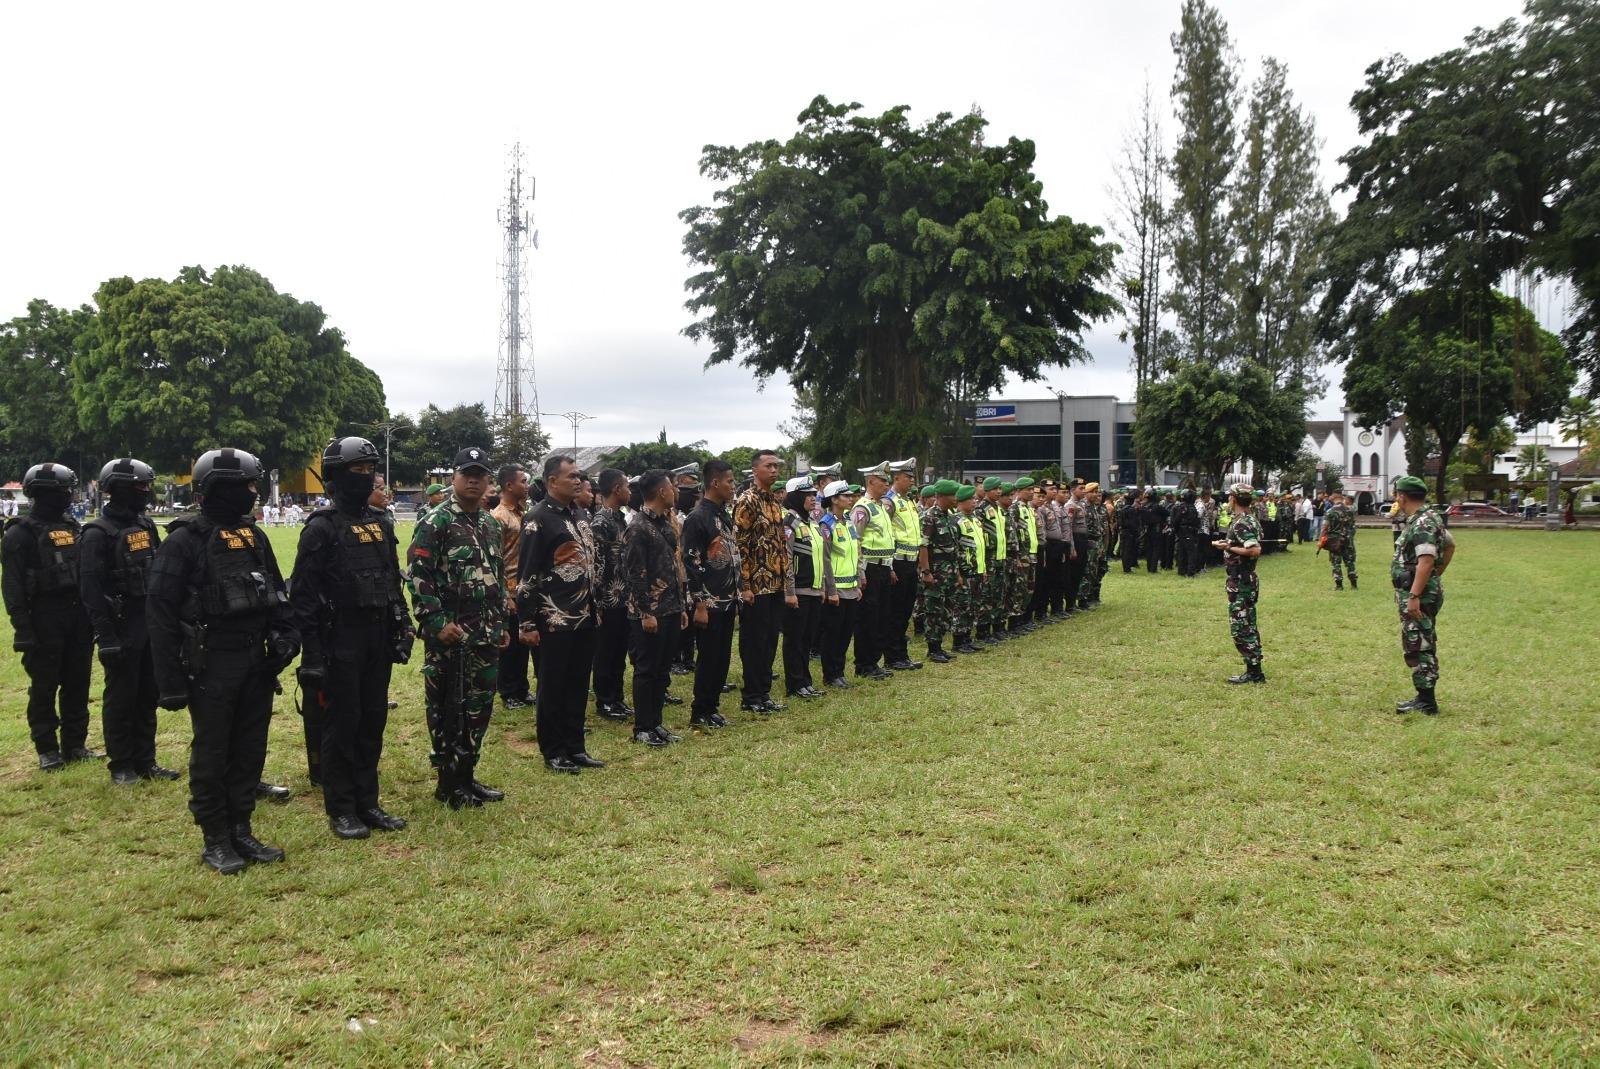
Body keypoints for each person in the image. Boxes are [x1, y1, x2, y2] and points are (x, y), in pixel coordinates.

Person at [147, 449, 299, 874]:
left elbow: (275, 590)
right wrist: (169, 682)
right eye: (245, 486)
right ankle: (215, 837)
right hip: (210, 663)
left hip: (256, 661)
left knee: (250, 748)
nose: (252, 494)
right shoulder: (184, 540)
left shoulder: (254, 537)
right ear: (218, 489)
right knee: (214, 751)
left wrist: (287, 636)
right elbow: (159, 611)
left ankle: (242, 828)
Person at [289, 437, 413, 840]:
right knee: (342, 724)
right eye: (358, 471)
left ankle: (368, 801)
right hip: (338, 639)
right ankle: (341, 808)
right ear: (337, 476)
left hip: (376, 636)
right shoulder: (321, 529)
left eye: (370, 471)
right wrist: (312, 655)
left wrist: (402, 625)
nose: (366, 478)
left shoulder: (380, 524)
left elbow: (393, 581)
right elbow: (304, 598)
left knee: (372, 721)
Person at [406, 447, 509, 809]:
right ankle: (447, 780)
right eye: (467, 473)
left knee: (479, 707)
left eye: (480, 474)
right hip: (451, 635)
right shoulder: (435, 522)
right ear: (454, 477)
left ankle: (468, 774)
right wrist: (436, 622)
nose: (474, 480)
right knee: (447, 707)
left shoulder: (489, 525)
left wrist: (503, 621)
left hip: (486, 633)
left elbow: (498, 578)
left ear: (488, 482)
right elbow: (419, 577)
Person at [81, 458, 176, 785]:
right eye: (140, 487)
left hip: (148, 622)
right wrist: (105, 636)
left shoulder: (146, 526)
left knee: (148, 693)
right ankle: (121, 764)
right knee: (121, 697)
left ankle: (145, 760)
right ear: (118, 490)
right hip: (120, 627)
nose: (146, 492)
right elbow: (91, 590)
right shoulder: (97, 534)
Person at [3, 462, 98, 772]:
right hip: (43, 618)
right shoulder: (20, 533)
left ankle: (74, 744)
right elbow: (13, 586)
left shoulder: (74, 527)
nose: (69, 495)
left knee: (77, 682)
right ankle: (47, 748)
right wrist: (23, 628)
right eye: (65, 490)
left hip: (77, 616)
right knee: (44, 686)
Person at [518, 454, 605, 772]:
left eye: (579, 476)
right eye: (572, 476)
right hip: (554, 618)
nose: (579, 480)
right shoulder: (538, 518)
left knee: (579, 683)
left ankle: (575, 746)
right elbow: (526, 574)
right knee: (553, 686)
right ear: (552, 481)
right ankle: (554, 751)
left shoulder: (580, 513)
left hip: (585, 615)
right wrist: (527, 622)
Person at [624, 470, 687, 745]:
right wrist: (645, 612)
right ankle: (642, 728)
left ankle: (656, 723)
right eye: (672, 488)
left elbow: (672, 568)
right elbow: (635, 573)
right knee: (647, 669)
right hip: (649, 612)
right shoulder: (638, 526)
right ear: (662, 492)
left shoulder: (663, 523)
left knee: (662, 671)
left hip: (671, 607)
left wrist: (681, 606)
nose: (676, 492)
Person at [679, 459, 742, 728]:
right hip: (709, 601)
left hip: (727, 598)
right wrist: (700, 605)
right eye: (729, 481)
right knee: (708, 658)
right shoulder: (698, 518)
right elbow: (691, 563)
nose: (733, 486)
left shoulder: (722, 514)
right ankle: (700, 711)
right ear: (714, 483)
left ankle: (712, 706)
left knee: (722, 656)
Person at [733, 450, 788, 713]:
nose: (774, 470)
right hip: (755, 585)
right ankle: (752, 696)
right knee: (754, 642)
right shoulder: (748, 501)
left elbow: (779, 544)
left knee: (769, 640)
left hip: (775, 583)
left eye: (776, 466)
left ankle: (763, 692)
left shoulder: (774, 502)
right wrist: (744, 586)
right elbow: (739, 546)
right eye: (769, 466)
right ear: (755, 470)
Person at [1390, 476, 1450, 715]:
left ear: (1402, 496)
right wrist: (1436, 575)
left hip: (1418, 594)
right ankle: (1424, 697)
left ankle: (1426, 701)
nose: (1396, 499)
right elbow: (1450, 545)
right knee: (1421, 641)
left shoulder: (1422, 522)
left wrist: (1415, 593)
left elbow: (1426, 561)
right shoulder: (1428, 518)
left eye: (1397, 495)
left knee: (1420, 644)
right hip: (1421, 590)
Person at [588, 469, 633, 723]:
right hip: (608, 599)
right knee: (606, 653)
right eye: (626, 486)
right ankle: (605, 701)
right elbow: (597, 566)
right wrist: (598, 602)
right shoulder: (600, 522)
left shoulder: (619, 519)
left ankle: (617, 697)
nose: (629, 491)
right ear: (616, 489)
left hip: (623, 597)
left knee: (618, 652)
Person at [1211, 484, 1265, 684]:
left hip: (1241, 580)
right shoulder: (1251, 519)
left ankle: (1254, 672)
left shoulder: (1242, 523)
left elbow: (1254, 550)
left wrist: (1230, 548)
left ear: (1233, 498)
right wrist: (1229, 546)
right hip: (1245, 578)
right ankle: (1254, 668)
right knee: (1248, 624)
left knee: (1241, 627)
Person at [848, 463, 897, 678]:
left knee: (881, 616)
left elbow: (887, 539)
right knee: (868, 618)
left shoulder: (881, 507)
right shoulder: (862, 508)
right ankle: (864, 664)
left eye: (887, 481)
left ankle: (874, 661)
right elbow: (855, 541)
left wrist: (891, 567)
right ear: (870, 482)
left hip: (883, 567)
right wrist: (860, 572)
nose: (886, 485)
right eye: (883, 481)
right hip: (870, 569)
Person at [492, 464, 535, 710]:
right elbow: (496, 558)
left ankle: (521, 688)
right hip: (509, 589)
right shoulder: (500, 517)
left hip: (523, 588)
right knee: (509, 646)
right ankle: (508, 691)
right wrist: (504, 594)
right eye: (523, 482)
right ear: (509, 486)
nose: (527, 486)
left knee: (522, 643)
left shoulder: (521, 513)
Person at [781, 477, 826, 699]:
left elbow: (820, 557)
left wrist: (824, 587)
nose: (813, 498)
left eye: (814, 495)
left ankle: (805, 680)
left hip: (814, 590)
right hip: (798, 591)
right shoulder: (790, 522)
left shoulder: (811, 522)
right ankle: (795, 683)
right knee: (795, 640)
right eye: (808, 495)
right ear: (797, 497)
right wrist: (790, 592)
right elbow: (786, 559)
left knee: (807, 639)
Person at [817, 481, 861, 687]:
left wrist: (858, 581)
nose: (850, 499)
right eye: (846, 496)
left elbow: (855, 552)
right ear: (834, 499)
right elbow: (825, 559)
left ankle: (839, 671)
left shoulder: (848, 522)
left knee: (845, 633)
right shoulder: (826, 525)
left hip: (851, 587)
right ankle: (830, 674)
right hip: (836, 590)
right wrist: (830, 589)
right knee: (833, 633)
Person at [883, 458, 924, 671]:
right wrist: (889, 567)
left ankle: (901, 653)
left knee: (906, 609)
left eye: (912, 477)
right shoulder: (889, 502)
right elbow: (886, 534)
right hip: (897, 562)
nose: (911, 481)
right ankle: (892, 656)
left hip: (911, 562)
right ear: (896, 478)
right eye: (908, 477)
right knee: (896, 611)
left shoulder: (909, 502)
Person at [918, 480, 963, 663]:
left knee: (947, 609)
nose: (955, 499)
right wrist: (926, 571)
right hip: (936, 570)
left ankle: (940, 646)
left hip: (950, 570)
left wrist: (958, 573)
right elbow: (923, 546)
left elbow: (955, 547)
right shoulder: (929, 517)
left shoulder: (950, 517)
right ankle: (933, 648)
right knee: (934, 609)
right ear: (942, 496)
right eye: (953, 495)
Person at [951, 484, 986, 653]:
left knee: (973, 606)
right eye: (971, 499)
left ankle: (967, 638)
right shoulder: (956, 521)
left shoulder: (976, 520)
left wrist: (984, 568)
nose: (974, 502)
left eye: (975, 499)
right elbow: (954, 549)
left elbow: (980, 547)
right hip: (964, 572)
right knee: (962, 606)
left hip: (977, 570)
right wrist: (957, 572)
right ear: (962, 501)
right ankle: (958, 641)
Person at [1173, 488, 1202, 577]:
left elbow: (1175, 521)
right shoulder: (1191, 508)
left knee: (1181, 551)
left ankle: (1181, 571)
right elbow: (1195, 521)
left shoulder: (1178, 507)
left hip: (1181, 531)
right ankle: (1190, 572)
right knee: (1191, 552)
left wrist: (1177, 530)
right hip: (1189, 531)